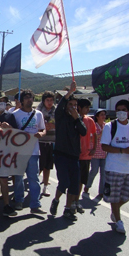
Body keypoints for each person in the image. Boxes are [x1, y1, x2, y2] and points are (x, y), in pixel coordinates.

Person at [101, 99, 129, 234]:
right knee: (114, 196)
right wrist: (123, 151)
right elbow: (104, 146)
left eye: (124, 110)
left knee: (127, 196)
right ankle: (118, 221)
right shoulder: (110, 127)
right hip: (114, 167)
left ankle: (115, 210)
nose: (121, 113)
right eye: (118, 110)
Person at [49, 81, 87, 221]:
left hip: (74, 156)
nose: (73, 108)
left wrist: (77, 119)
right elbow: (59, 107)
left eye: (75, 106)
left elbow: (83, 132)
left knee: (74, 185)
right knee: (64, 182)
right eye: (70, 105)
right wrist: (69, 92)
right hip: (61, 155)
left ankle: (68, 209)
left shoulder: (78, 120)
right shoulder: (61, 117)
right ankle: (56, 200)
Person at [13, 89, 47, 214]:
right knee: (18, 178)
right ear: (21, 101)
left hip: (34, 152)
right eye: (26, 97)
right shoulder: (15, 114)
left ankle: (35, 205)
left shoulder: (38, 114)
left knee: (34, 179)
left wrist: (41, 134)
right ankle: (18, 200)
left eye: (31, 97)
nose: (29, 100)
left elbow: (43, 129)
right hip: (19, 152)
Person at [74, 98, 97, 214]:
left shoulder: (90, 121)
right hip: (75, 155)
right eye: (86, 107)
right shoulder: (73, 119)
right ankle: (71, 202)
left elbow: (95, 134)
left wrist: (94, 148)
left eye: (89, 107)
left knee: (81, 181)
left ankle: (76, 201)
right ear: (79, 107)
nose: (88, 110)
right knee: (74, 180)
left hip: (86, 156)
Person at [36, 91, 56, 197]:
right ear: (43, 101)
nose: (50, 102)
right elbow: (34, 125)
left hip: (51, 141)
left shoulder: (56, 111)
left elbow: (61, 125)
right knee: (39, 166)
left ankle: (45, 186)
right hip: (40, 142)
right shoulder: (38, 111)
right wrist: (43, 127)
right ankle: (34, 185)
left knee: (48, 166)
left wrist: (53, 126)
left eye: (51, 100)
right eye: (47, 100)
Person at [84, 109, 107, 198]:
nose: (103, 116)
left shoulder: (106, 126)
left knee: (104, 173)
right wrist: (100, 135)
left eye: (104, 115)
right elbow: (89, 138)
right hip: (95, 153)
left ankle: (101, 191)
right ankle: (87, 185)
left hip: (104, 153)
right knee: (94, 171)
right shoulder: (94, 125)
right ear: (97, 116)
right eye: (101, 115)